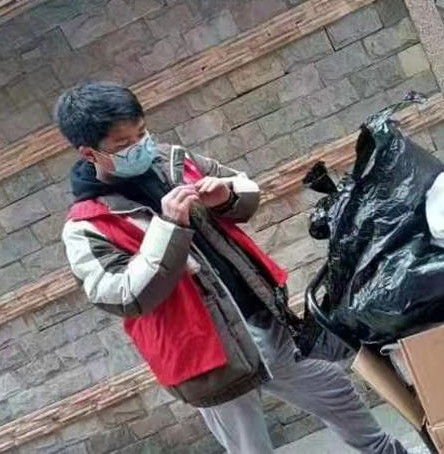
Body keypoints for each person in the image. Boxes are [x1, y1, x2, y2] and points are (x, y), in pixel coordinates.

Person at [55, 81, 407, 454]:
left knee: (338, 394)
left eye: (141, 132)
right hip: (208, 356)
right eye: (124, 143)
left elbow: (244, 187)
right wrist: (169, 227)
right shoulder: (87, 225)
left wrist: (226, 195)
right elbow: (123, 296)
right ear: (89, 152)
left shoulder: (175, 160)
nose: (140, 145)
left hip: (268, 324)